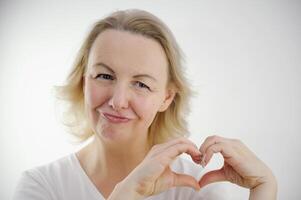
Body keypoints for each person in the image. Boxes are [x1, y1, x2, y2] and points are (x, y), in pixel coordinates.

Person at [13, 9, 277, 200]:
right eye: (105, 76)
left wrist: (265, 189)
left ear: (166, 98)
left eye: (141, 84)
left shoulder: (195, 187)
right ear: (84, 82)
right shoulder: (42, 187)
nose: (117, 102)